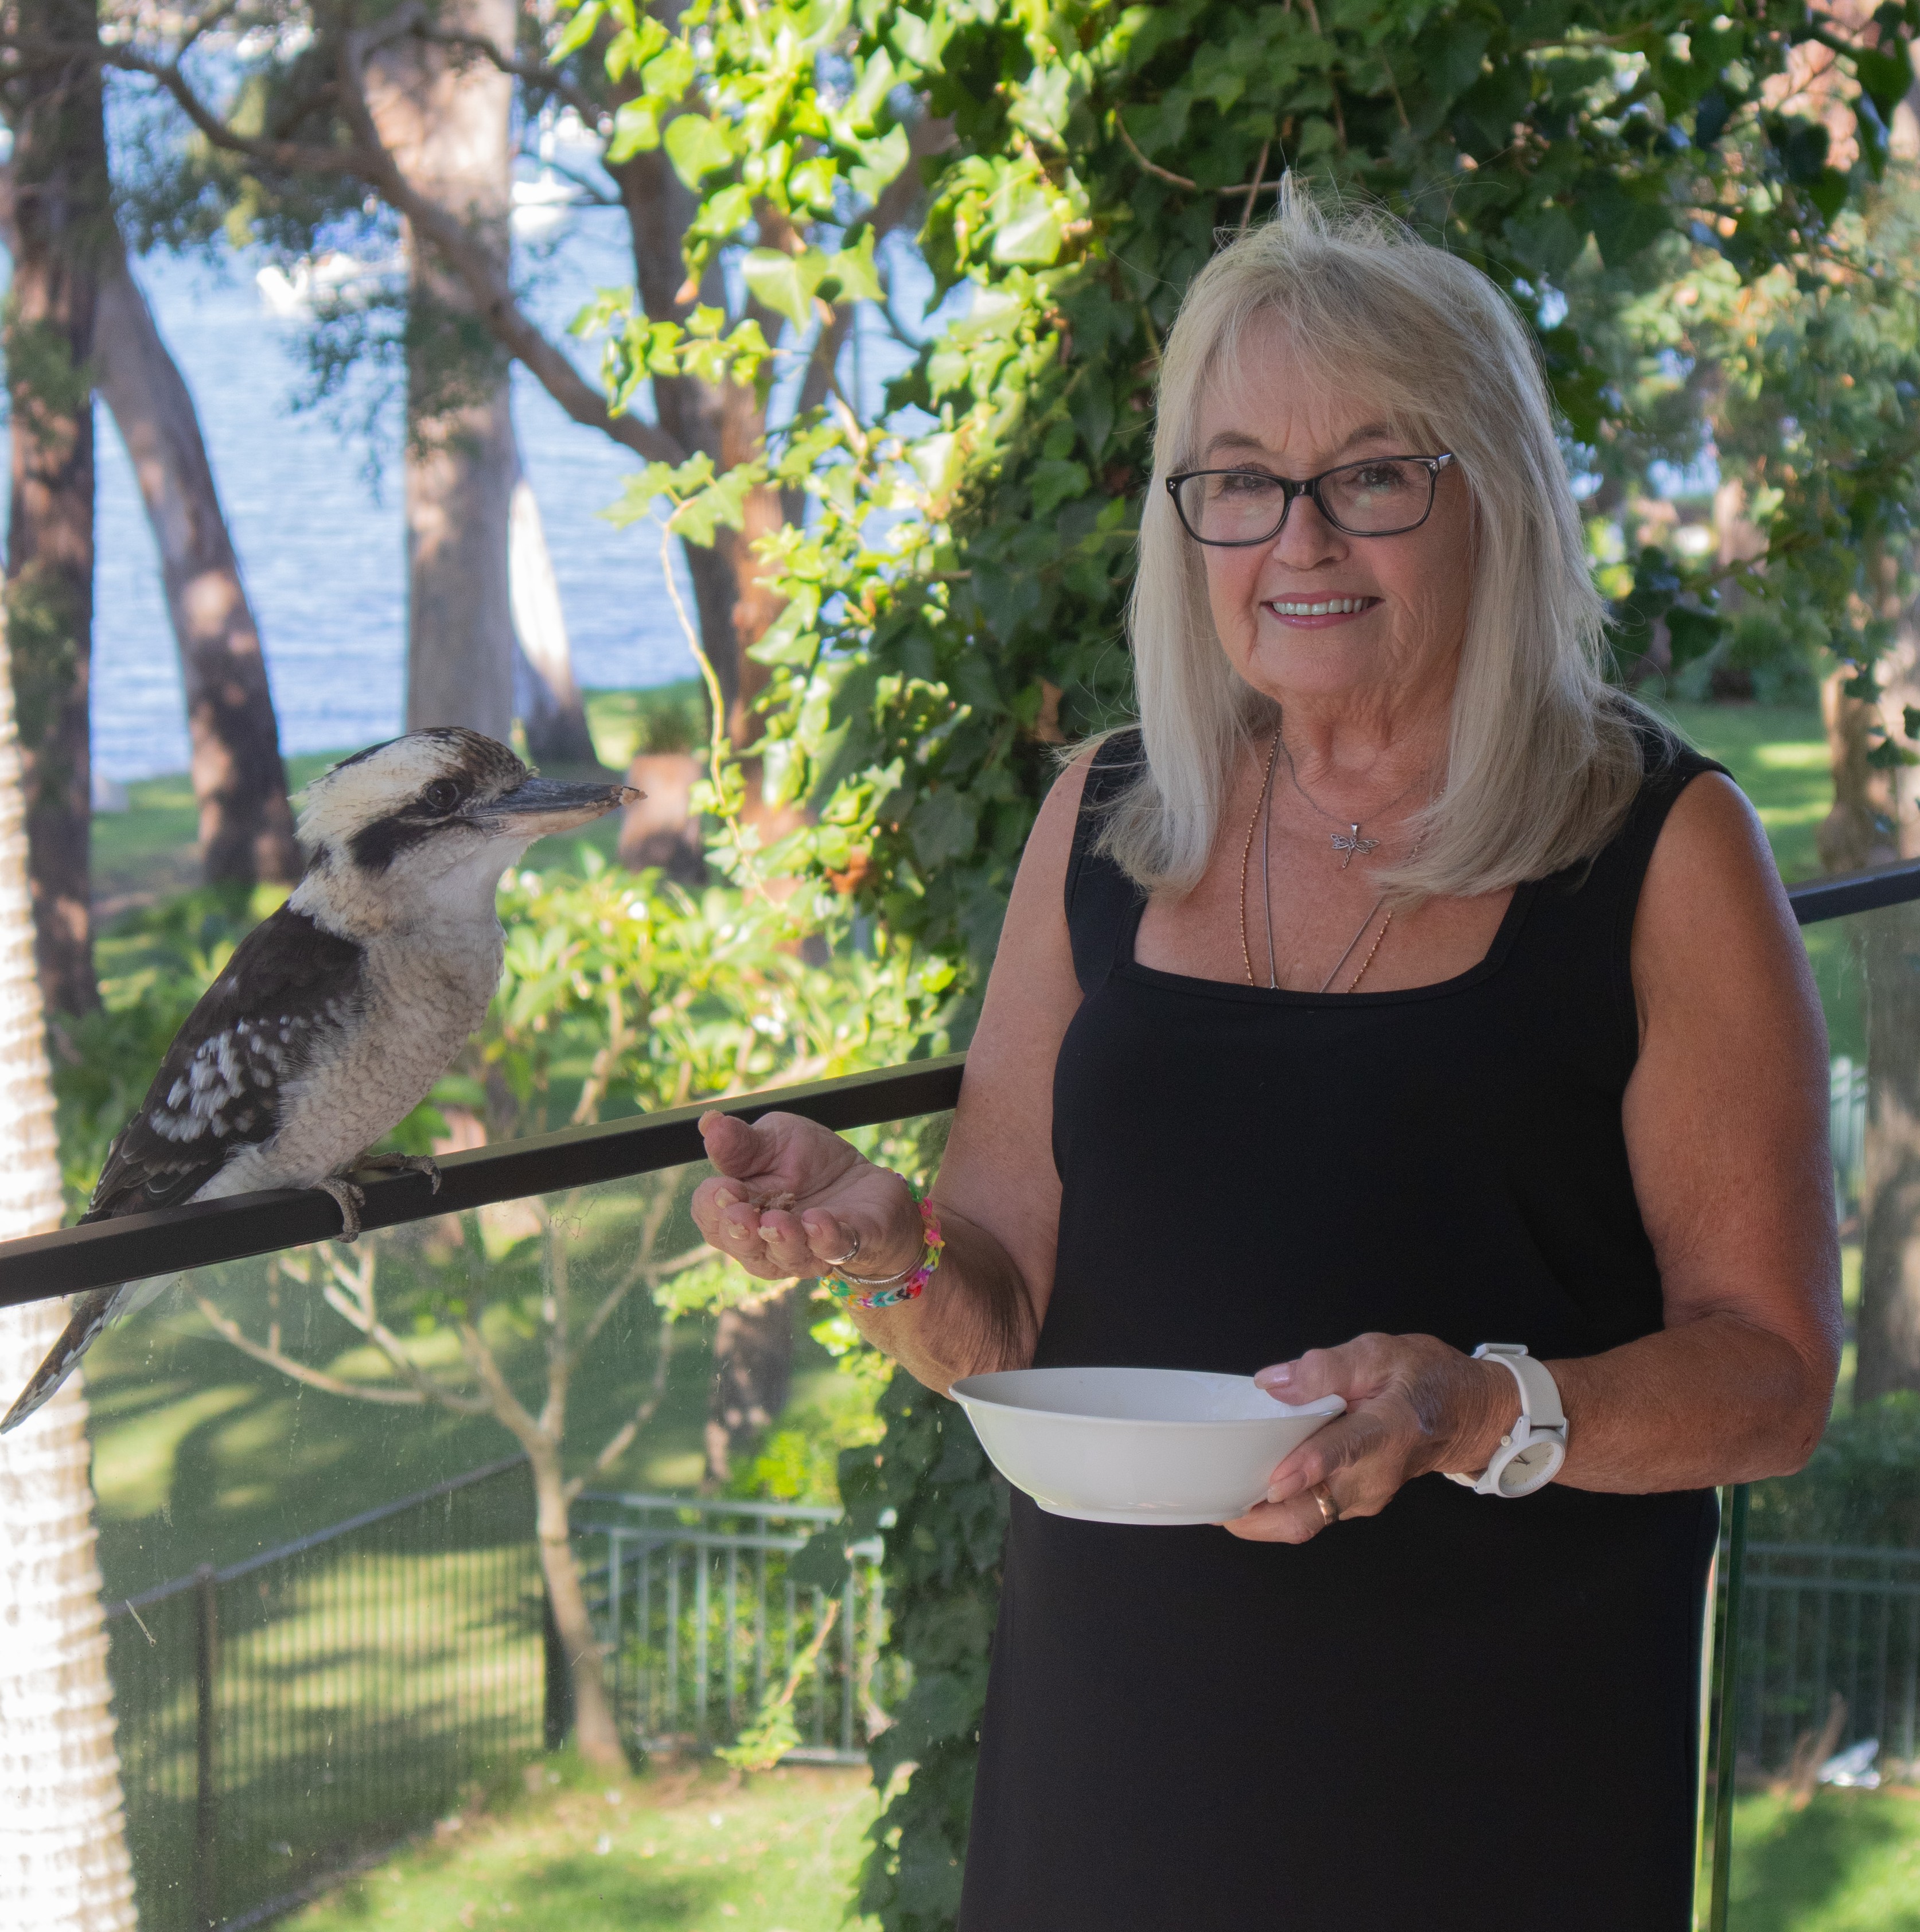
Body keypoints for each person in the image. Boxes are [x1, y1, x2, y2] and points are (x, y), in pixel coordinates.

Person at [689, 184, 1839, 1929]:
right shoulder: (1102, 821)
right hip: (1118, 1764)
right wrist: (883, 1238)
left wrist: (1472, 1411)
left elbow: (1769, 1382)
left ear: (1493, 504)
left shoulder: (1658, 847)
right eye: (1237, 482)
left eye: (1371, 476)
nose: (1295, 542)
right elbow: (991, 1319)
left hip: (1492, 1784)